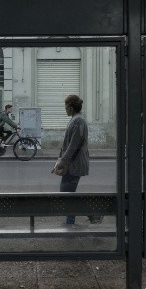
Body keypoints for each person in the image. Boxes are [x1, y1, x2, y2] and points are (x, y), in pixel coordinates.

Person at [51, 94, 97, 225]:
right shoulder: (75, 119)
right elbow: (67, 143)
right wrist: (60, 158)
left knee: (66, 193)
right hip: (71, 162)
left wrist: (62, 161)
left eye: (66, 107)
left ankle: (77, 219)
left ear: (71, 108)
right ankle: (80, 218)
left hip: (74, 163)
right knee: (68, 193)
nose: (65, 109)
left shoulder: (78, 121)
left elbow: (73, 145)